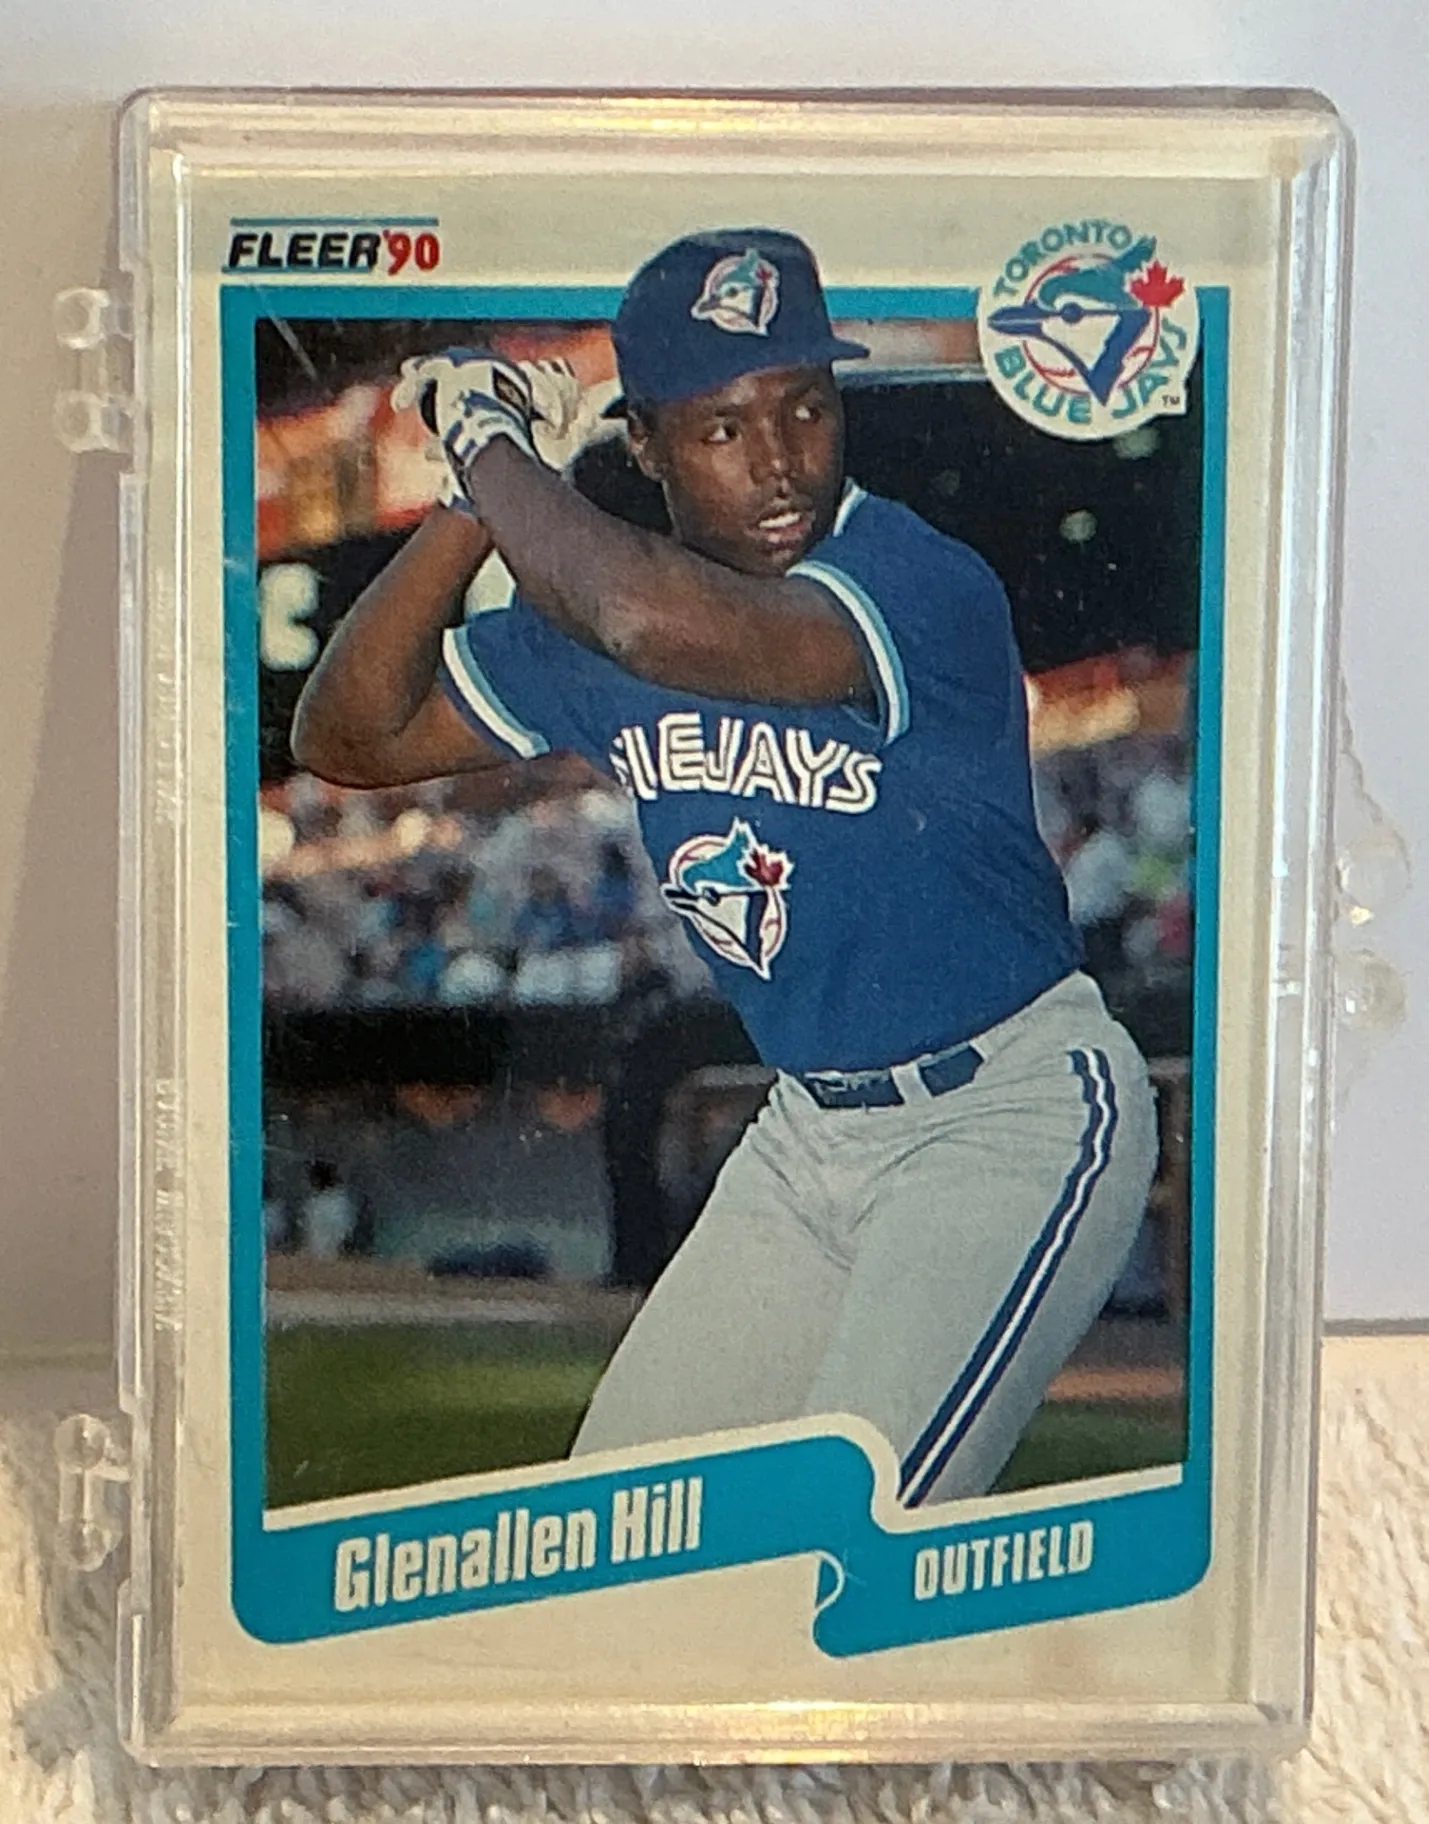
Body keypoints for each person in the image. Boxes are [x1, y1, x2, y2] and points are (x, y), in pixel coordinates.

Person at [291, 227, 1157, 1506]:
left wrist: (486, 439)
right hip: (805, 1138)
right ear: (642, 446)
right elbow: (346, 736)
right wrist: (472, 510)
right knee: (615, 1539)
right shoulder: (595, 621)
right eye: (721, 428)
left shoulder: (913, 580)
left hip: (1007, 1119)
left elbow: (649, 621)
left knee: (843, 1544)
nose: (778, 460)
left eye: (804, 406)